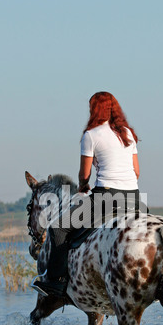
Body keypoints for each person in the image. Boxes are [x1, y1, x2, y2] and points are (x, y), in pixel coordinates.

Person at [33, 91, 141, 297]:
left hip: (106, 198)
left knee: (58, 228)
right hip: (134, 199)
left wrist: (83, 186)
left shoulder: (91, 135)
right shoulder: (128, 134)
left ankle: (55, 283)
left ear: (94, 110)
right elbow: (136, 171)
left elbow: (84, 173)